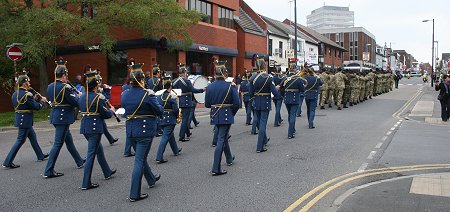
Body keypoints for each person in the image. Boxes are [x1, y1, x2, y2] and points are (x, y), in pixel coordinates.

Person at [121, 60, 163, 202]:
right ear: (141, 80)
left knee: (141, 157)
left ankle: (151, 179)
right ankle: (134, 194)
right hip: (145, 131)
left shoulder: (125, 94)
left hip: (131, 131)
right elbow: (159, 111)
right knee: (139, 160)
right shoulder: (148, 94)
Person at [44, 58, 85, 178]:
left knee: (69, 141)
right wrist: (79, 96)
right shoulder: (65, 87)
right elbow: (74, 102)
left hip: (56, 115)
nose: (67, 77)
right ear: (63, 75)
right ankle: (48, 170)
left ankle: (79, 161)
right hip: (63, 116)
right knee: (58, 143)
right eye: (66, 75)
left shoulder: (51, 86)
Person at [78, 70, 117, 190]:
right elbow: (105, 114)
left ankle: (107, 172)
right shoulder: (97, 98)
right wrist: (111, 110)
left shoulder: (82, 96)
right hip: (94, 127)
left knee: (98, 149)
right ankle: (86, 182)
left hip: (85, 126)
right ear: (96, 85)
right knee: (91, 155)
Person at [2, 74, 49, 169]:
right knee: (20, 140)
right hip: (25, 120)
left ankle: (40, 155)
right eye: (28, 82)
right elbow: (36, 107)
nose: (29, 83)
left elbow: (25, 104)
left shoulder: (15, 94)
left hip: (21, 118)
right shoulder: (27, 94)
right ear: (24, 83)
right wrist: (42, 101)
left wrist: (34, 99)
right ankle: (7, 161)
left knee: (32, 137)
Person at [205, 61, 239, 175]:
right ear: (225, 73)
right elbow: (237, 103)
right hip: (225, 115)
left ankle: (229, 158)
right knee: (221, 139)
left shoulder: (210, 87)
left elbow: (207, 104)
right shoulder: (230, 86)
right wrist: (231, 113)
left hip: (215, 115)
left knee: (222, 137)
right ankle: (216, 168)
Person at [248, 56, 281, 153]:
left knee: (258, 122)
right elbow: (274, 92)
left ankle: (264, 140)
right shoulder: (268, 78)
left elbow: (250, 93)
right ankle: (259, 147)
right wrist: (277, 90)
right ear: (264, 66)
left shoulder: (252, 78)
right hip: (265, 102)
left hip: (256, 102)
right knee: (262, 124)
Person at [172, 64, 205, 142]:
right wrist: (201, 90)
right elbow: (193, 90)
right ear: (184, 73)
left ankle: (187, 133)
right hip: (186, 102)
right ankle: (181, 136)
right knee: (185, 120)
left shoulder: (173, 81)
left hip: (178, 101)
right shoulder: (187, 81)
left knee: (184, 118)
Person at [155, 75, 182, 163]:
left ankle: (176, 150)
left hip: (161, 118)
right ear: (170, 86)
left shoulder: (159, 96)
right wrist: (177, 115)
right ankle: (159, 156)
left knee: (170, 135)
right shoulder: (172, 96)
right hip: (169, 119)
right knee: (165, 137)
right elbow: (175, 109)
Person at [280, 66, 306, 139]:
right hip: (295, 99)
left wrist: (283, 95)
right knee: (292, 115)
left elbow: (281, 89)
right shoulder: (298, 79)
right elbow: (302, 89)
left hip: (287, 98)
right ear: (295, 71)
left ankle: (292, 129)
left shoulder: (285, 78)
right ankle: (290, 133)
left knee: (290, 114)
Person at [122, 60, 135, 157]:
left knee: (130, 131)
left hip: (128, 110)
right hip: (134, 110)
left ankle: (128, 150)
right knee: (131, 132)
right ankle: (128, 150)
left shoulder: (125, 87)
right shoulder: (128, 87)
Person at [148, 64, 163, 137]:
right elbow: (161, 90)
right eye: (159, 72)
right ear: (157, 72)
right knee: (158, 115)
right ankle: (158, 130)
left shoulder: (150, 80)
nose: (160, 74)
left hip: (150, 97)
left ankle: (154, 130)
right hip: (157, 97)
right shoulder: (158, 80)